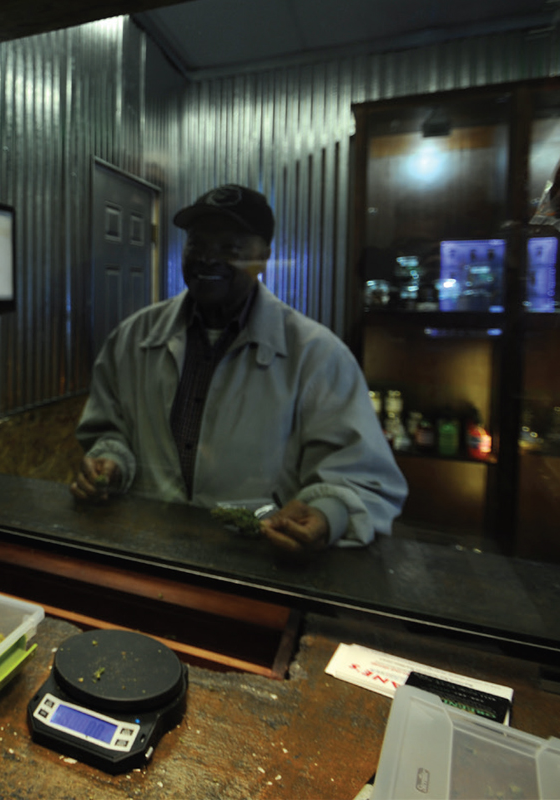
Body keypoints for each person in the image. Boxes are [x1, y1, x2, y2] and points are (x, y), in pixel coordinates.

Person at [72, 184, 407, 554]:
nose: (207, 259)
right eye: (197, 245)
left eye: (229, 249)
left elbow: (364, 478)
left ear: (263, 258)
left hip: (259, 563)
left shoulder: (317, 356)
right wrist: (111, 463)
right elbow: (109, 431)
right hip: (149, 553)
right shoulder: (132, 338)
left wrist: (327, 514)